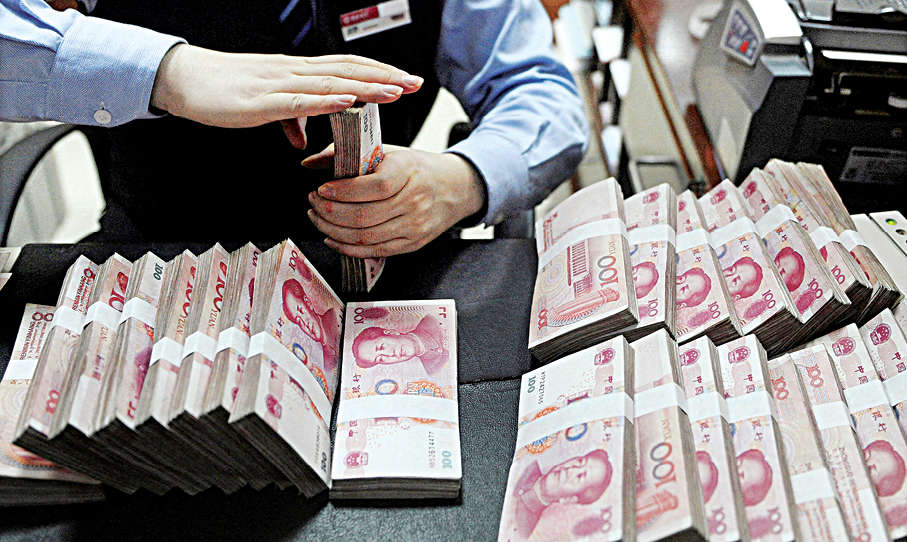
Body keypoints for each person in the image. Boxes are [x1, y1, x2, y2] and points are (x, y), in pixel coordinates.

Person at [1, 0, 587, 255]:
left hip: (384, 262)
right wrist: (168, 73)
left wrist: (462, 180)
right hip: (162, 249)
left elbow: (539, 88)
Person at [511, 450, 613, 538]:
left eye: (580, 476)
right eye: (580, 461)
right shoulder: (527, 459)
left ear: (569, 499)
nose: (571, 469)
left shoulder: (523, 528)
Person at [350, 314, 449, 375]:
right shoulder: (433, 369)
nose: (390, 354)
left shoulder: (433, 320)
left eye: (382, 347)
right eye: (380, 359)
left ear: (391, 333)